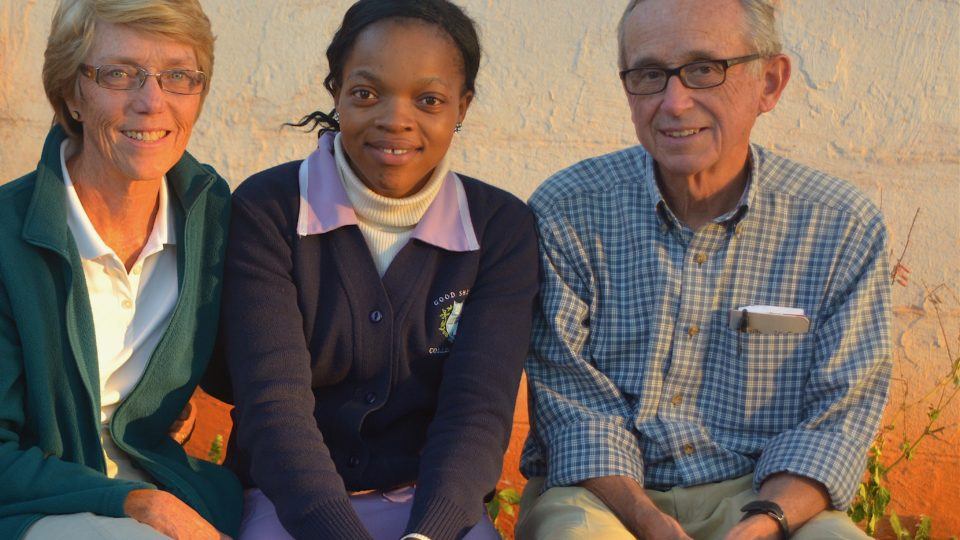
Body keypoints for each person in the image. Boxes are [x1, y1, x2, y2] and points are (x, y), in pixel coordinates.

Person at [516, 1, 891, 539]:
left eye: (704, 69)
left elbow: (841, 414)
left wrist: (762, 524)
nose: (674, 102)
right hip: (604, 495)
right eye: (649, 74)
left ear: (770, 82)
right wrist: (649, 522)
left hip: (765, 496)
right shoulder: (568, 211)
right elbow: (572, 405)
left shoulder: (839, 227)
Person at [219, 1, 539, 539]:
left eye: (429, 99)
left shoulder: (499, 229)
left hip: (433, 510)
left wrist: (429, 534)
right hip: (288, 506)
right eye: (366, 93)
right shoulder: (269, 210)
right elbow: (275, 408)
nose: (395, 118)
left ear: (462, 107)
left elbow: (476, 414)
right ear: (337, 93)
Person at [0, 1, 241, 539]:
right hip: (37, 505)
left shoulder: (214, 220)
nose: (151, 102)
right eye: (119, 74)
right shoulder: (6, 239)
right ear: (71, 94)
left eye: (178, 75)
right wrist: (136, 503)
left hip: (176, 493)